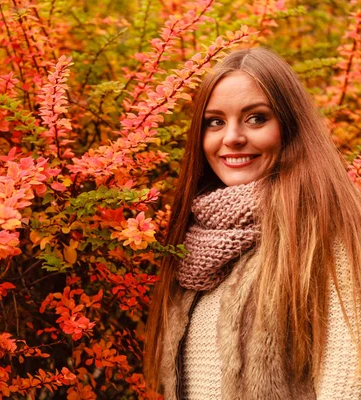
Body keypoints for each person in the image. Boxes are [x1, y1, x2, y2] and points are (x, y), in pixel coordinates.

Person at [144, 47, 361, 399]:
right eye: (215, 121)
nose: (232, 138)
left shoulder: (328, 228)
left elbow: (349, 378)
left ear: (290, 127)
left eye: (256, 118)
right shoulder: (198, 243)